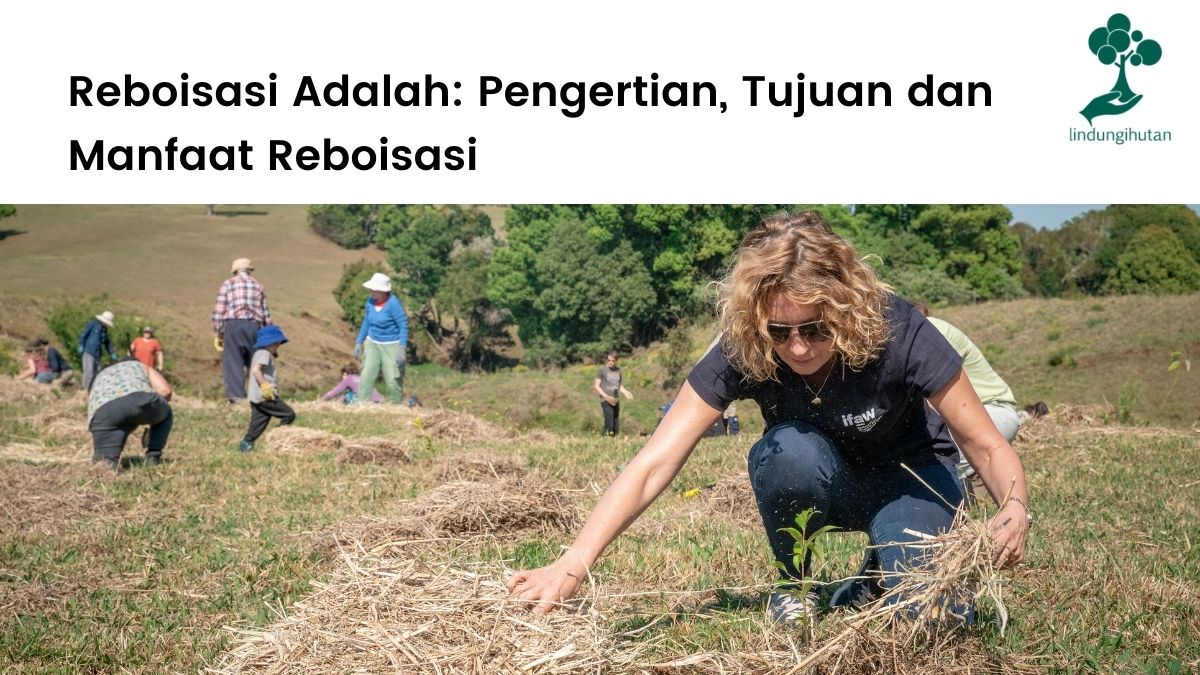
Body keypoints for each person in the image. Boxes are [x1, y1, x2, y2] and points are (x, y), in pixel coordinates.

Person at [508, 211, 1031, 627]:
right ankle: (794, 584)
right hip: (822, 477)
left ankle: (880, 571)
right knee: (786, 452)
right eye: (780, 332)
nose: (798, 348)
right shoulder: (745, 344)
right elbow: (654, 460)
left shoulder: (900, 330)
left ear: (846, 307)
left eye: (816, 328)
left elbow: (986, 445)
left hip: (911, 480)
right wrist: (573, 563)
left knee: (934, 617)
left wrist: (1014, 507)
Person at [912, 305, 1021, 496]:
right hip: (978, 415)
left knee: (932, 448)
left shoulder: (928, 332)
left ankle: (960, 497)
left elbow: (927, 399)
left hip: (993, 411)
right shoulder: (922, 331)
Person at [87, 358, 173, 469]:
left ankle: (109, 464)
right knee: (166, 412)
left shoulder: (99, 375)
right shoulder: (138, 365)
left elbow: (91, 402)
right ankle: (153, 456)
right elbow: (165, 391)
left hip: (102, 413)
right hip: (139, 399)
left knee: (104, 463)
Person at [212, 258, 273, 405]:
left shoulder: (228, 284)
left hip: (233, 326)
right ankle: (257, 397)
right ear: (250, 270)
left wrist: (218, 333)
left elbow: (218, 312)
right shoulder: (258, 285)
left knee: (233, 363)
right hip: (254, 326)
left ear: (234, 271)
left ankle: (236, 399)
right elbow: (266, 315)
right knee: (255, 362)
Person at [353, 273, 408, 405]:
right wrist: (359, 342)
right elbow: (367, 321)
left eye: (374, 290)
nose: (371, 292)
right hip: (372, 342)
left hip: (391, 344)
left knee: (392, 379)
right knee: (367, 374)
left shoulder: (393, 304)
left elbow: (403, 325)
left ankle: (395, 406)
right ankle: (363, 404)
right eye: (371, 289)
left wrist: (402, 347)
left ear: (383, 291)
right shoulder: (370, 302)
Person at [239, 325, 295, 452]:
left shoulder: (258, 353)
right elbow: (256, 370)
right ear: (273, 343)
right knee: (289, 414)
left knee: (258, 423)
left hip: (255, 397)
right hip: (265, 396)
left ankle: (246, 444)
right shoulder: (264, 353)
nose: (278, 346)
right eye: (278, 343)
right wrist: (265, 386)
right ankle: (279, 439)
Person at [593, 351, 634, 436]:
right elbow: (596, 386)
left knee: (615, 423)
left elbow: (618, 385)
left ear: (616, 361)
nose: (610, 362)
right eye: (609, 360)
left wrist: (626, 392)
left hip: (615, 399)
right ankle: (608, 436)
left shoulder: (618, 371)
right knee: (609, 421)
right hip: (605, 399)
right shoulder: (602, 370)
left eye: (613, 361)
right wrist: (606, 396)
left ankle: (610, 439)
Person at [78, 310, 117, 391]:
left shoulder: (104, 330)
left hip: (97, 353)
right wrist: (81, 344)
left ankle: (94, 389)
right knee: (89, 372)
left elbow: (107, 343)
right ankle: (85, 389)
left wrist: (112, 354)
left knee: (98, 371)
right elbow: (84, 334)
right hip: (89, 351)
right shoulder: (93, 324)